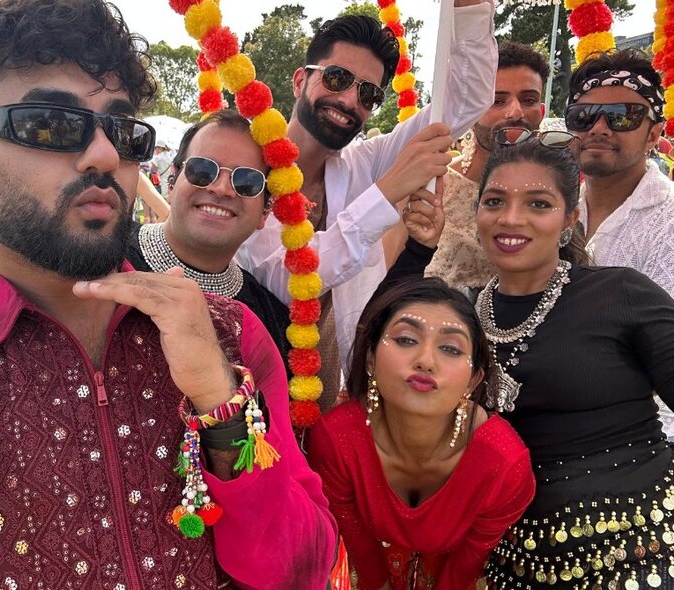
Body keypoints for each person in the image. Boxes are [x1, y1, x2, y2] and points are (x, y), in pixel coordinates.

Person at [0, 2, 337, 589]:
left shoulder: (229, 335)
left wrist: (220, 403)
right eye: (49, 123)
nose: (105, 154)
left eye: (124, 131)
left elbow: (302, 566)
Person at [413, 133, 673, 588]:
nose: (511, 219)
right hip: (507, 560)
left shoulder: (619, 294)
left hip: (641, 545)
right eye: (494, 201)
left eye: (538, 204)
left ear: (570, 219)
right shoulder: (459, 319)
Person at [236, 3, 497, 403]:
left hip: (333, 400)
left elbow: (464, 100)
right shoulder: (245, 170)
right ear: (300, 80)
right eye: (337, 78)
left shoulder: (362, 163)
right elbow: (290, 282)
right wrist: (387, 191)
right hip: (250, 396)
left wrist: (469, 8)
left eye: (367, 93)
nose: (348, 100)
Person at [308, 277, 534, 589]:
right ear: (371, 358)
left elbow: (467, 566)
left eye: (450, 349)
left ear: (473, 380)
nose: (426, 361)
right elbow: (360, 552)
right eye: (405, 340)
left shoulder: (503, 464)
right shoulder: (336, 441)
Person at [565, 48, 674, 441]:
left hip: (640, 446)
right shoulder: (554, 208)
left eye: (622, 116)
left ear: (654, 134)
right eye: (583, 116)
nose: (598, 128)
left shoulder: (669, 222)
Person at [129, 109, 290, 362]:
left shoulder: (271, 322)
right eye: (203, 170)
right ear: (172, 182)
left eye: (247, 181)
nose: (222, 188)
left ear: (265, 212)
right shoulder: (104, 256)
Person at [425, 42, 549, 291]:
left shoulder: (555, 189)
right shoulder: (433, 184)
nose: (515, 112)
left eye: (528, 100)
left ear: (542, 111)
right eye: (497, 101)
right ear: (470, 113)